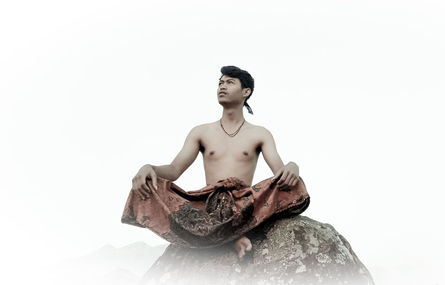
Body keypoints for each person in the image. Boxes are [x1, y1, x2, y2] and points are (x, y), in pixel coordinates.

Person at [124, 66, 309, 259]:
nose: (222, 86)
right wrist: (149, 168)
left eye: (230, 82)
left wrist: (293, 166)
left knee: (295, 184)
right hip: (208, 204)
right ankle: (232, 236)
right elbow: (174, 169)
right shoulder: (201, 131)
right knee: (147, 182)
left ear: (246, 92)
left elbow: (280, 176)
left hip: (244, 203)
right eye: (220, 82)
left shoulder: (260, 133)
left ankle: (228, 234)